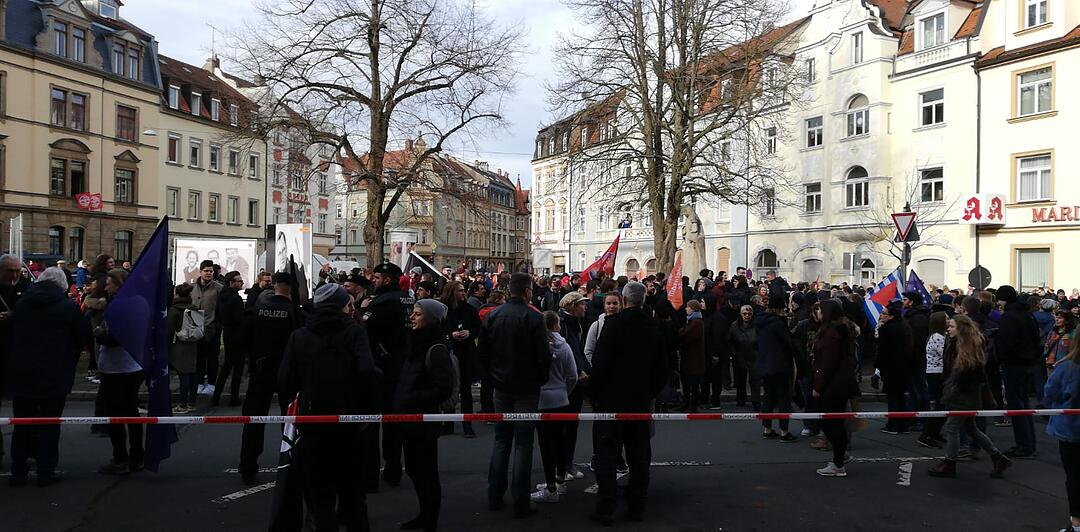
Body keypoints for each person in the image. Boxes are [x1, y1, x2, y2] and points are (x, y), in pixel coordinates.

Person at [277, 283, 377, 531]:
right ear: (343, 306)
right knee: (353, 495)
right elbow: (367, 372)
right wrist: (366, 410)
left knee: (320, 495)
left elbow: (285, 380)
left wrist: (296, 411)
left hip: (313, 421)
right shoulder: (354, 333)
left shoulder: (300, 335)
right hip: (349, 420)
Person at [589, 281, 669, 524]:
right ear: (643, 301)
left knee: (607, 456)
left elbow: (600, 364)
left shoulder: (613, 325)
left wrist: (595, 395)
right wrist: (649, 392)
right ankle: (637, 506)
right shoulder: (652, 328)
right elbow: (663, 368)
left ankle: (606, 507)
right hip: (639, 401)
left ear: (623, 301)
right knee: (639, 457)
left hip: (611, 401)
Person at [6, 267, 90, 487]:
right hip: (55, 374)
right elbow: (82, 336)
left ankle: (18, 470)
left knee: (22, 423)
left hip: (22, 372)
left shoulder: (22, 304)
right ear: (62, 285)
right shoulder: (67, 308)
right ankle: (46, 470)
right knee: (50, 424)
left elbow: (10, 333)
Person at [479, 272, 550, 518]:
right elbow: (543, 355)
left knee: (501, 441)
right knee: (523, 443)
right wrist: (540, 379)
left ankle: (494, 495)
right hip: (527, 387)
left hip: (501, 385)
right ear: (528, 291)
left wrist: (492, 378)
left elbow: (483, 352)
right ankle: (521, 500)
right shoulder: (534, 317)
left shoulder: (493, 316)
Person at [394, 299, 455, 531]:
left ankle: (430, 518)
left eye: (417, 314)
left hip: (423, 420)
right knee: (414, 469)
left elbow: (443, 388)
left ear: (429, 318)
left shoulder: (435, 348)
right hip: (408, 418)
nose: (412, 317)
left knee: (426, 472)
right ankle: (424, 513)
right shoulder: (416, 342)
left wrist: (413, 396)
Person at [928, 315, 1012, 478]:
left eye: (952, 326)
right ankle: (998, 457)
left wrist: (954, 388)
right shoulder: (956, 344)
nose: (948, 329)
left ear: (961, 329)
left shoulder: (969, 348)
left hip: (964, 395)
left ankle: (949, 463)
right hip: (960, 393)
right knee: (971, 429)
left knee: (952, 428)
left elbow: (970, 374)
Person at [238, 272, 303, 485]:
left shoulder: (256, 311)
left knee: (254, 420)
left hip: (261, 370)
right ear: (292, 288)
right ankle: (291, 462)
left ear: (274, 285)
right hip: (288, 372)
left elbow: (243, 340)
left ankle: (248, 464)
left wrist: (253, 358)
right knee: (290, 420)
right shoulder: (294, 313)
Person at [361, 262, 414, 490]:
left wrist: (363, 309)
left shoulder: (382, 302)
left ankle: (371, 475)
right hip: (402, 365)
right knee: (395, 423)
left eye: (377, 277)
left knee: (371, 424)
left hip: (382, 367)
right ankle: (393, 468)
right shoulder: (407, 299)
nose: (374, 280)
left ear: (388, 280)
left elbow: (365, 330)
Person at [96, 269, 145, 475]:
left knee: (116, 416)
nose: (106, 287)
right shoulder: (140, 303)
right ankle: (137, 456)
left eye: (109, 283)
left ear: (118, 284)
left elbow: (115, 338)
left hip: (118, 367)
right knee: (131, 412)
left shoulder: (120, 305)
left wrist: (98, 334)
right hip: (133, 365)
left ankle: (120, 458)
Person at [531, 311, 579, 504]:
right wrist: (565, 392)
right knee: (559, 441)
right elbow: (573, 375)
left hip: (542, 400)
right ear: (555, 325)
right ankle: (560, 480)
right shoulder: (564, 346)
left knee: (545, 444)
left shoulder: (535, 347)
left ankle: (551, 486)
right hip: (561, 398)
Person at [813, 300, 859, 478]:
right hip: (839, 382)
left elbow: (828, 363)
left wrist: (818, 386)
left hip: (833, 384)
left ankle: (838, 462)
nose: (817, 313)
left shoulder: (832, 333)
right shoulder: (840, 330)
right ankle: (840, 456)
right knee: (832, 421)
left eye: (820, 310)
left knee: (830, 422)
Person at [995, 285, 1043, 459]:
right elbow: (1036, 339)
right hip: (1028, 363)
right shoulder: (1027, 314)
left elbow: (1006, 344)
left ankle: (1023, 445)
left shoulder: (1008, 317)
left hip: (1014, 365)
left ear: (1003, 299)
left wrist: (1002, 358)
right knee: (1024, 406)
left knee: (1017, 406)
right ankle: (1028, 443)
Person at [1043, 335, 1080, 532]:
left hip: (1071, 430)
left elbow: (1050, 393)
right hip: (1071, 428)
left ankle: (1077, 523)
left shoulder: (1067, 367)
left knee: (1074, 477)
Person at [439, 281, 481, 438]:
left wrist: (470, 333)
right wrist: (450, 335)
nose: (464, 293)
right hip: (449, 353)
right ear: (452, 293)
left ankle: (467, 424)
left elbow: (478, 328)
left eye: (464, 290)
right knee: (450, 389)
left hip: (466, 354)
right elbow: (439, 329)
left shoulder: (470, 309)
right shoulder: (443, 309)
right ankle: (448, 422)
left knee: (465, 390)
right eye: (461, 291)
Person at [0, 253, 28, 466]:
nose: (14, 275)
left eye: (17, 271)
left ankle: (25, 451)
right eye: (10, 271)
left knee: (25, 408)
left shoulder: (26, 286)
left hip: (19, 355)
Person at [756, 296, 797, 441]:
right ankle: (784, 431)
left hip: (764, 363)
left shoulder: (761, 321)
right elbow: (787, 343)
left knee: (768, 397)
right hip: (779, 364)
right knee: (783, 398)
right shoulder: (779, 323)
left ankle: (767, 428)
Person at [876, 303, 913, 435]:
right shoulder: (904, 328)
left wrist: (878, 367)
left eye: (884, 314)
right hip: (902, 367)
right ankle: (904, 424)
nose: (881, 316)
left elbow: (882, 351)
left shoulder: (886, 330)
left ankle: (893, 424)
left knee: (892, 397)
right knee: (901, 397)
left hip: (890, 367)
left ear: (891, 316)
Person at [213, 271, 246, 407]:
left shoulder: (222, 296)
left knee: (226, 366)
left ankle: (216, 397)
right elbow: (240, 319)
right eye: (239, 281)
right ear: (231, 283)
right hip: (237, 334)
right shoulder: (236, 299)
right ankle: (234, 397)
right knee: (238, 368)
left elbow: (218, 315)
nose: (242, 283)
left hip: (227, 333)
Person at [918, 311, 949, 449]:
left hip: (936, 373)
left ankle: (934, 433)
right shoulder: (938, 337)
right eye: (947, 319)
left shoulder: (938, 336)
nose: (949, 321)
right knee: (941, 405)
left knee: (941, 405)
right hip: (937, 374)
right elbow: (946, 354)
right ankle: (926, 435)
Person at [191, 260, 223, 396]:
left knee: (212, 358)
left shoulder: (218, 288)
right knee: (198, 358)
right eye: (206, 271)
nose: (208, 273)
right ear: (200, 272)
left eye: (211, 271)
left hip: (212, 329)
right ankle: (199, 382)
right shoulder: (192, 287)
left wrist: (217, 325)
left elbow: (222, 308)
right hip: (195, 329)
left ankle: (211, 383)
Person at [168, 283, 200, 413]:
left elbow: (169, 330)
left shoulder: (174, 309)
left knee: (183, 374)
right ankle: (192, 402)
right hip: (192, 344)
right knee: (192, 373)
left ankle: (182, 404)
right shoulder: (194, 308)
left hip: (178, 345)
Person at [728, 304, 760, 409]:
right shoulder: (734, 325)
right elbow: (730, 341)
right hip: (740, 355)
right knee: (740, 380)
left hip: (754, 355)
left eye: (749, 314)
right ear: (740, 314)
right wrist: (734, 353)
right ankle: (741, 399)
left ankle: (756, 400)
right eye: (744, 314)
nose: (747, 315)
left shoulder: (757, 325)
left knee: (755, 380)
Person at [679, 300, 707, 413]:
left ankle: (692, 405)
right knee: (688, 382)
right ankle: (688, 404)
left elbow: (684, 334)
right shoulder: (692, 321)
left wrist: (681, 332)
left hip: (694, 359)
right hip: (690, 358)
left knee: (693, 384)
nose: (686, 309)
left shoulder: (696, 322)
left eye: (688, 307)